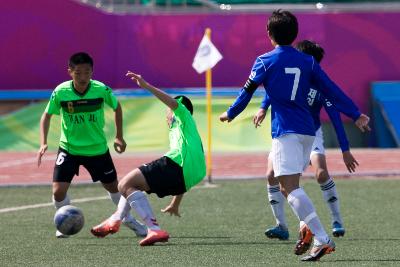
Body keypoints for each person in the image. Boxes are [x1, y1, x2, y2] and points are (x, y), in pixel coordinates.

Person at [219, 10, 370, 261]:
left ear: (269, 34)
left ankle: (322, 238)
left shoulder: (265, 60)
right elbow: (332, 89)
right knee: (291, 187)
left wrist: (231, 113)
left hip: (285, 131)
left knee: (288, 188)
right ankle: (307, 228)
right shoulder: (308, 62)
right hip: (308, 133)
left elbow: (247, 91)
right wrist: (355, 113)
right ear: (295, 34)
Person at [253, 40, 357, 254]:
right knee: (273, 175)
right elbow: (272, 91)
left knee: (318, 174)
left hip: (311, 134)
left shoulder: (318, 84)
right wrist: (263, 108)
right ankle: (283, 225)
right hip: (287, 133)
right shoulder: (292, 74)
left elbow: (335, 116)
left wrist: (345, 149)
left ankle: (334, 222)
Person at [37, 52, 146, 238]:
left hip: (97, 149)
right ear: (70, 71)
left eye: (87, 72)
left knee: (114, 188)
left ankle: (129, 220)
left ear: (92, 72)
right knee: (58, 191)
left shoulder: (101, 90)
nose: (83, 77)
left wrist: (119, 136)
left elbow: (117, 107)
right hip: (69, 149)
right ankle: (64, 221)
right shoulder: (61, 92)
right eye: (78, 73)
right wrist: (43, 142)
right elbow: (46, 116)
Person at [90, 71, 206, 246]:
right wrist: (175, 203)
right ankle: (116, 218)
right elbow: (188, 170)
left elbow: (174, 103)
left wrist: (146, 86)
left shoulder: (182, 116)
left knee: (124, 184)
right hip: (186, 178)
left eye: (168, 111)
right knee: (133, 186)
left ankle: (153, 228)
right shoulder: (188, 135)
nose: (167, 113)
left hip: (177, 166)